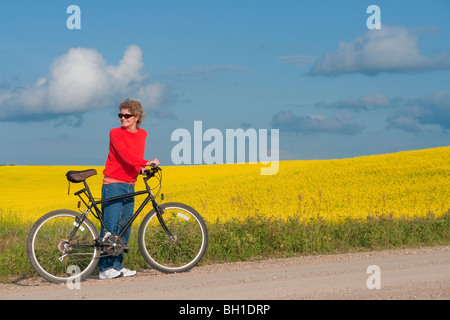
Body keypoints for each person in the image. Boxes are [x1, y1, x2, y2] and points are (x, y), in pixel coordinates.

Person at [98, 98, 159, 280]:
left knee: (125, 227)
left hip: (130, 184)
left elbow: (134, 157)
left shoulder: (143, 134)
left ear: (137, 117)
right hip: (114, 184)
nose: (123, 118)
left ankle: (117, 265)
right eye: (121, 115)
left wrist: (142, 168)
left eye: (127, 115)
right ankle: (104, 268)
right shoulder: (115, 133)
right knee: (110, 227)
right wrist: (145, 162)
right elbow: (125, 156)